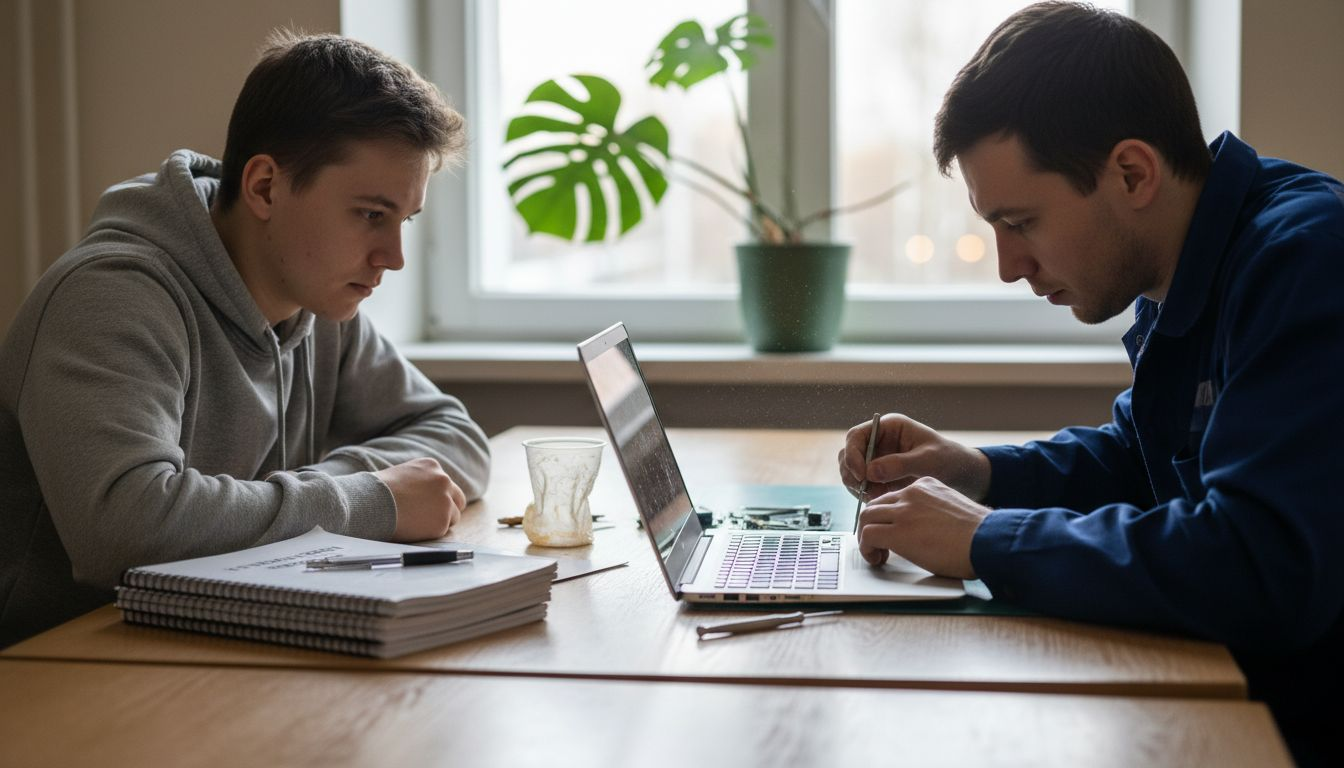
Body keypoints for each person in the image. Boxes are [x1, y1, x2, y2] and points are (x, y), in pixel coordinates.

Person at [837, 2, 1344, 764]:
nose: (1009, 265)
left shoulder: (1306, 261)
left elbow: (1256, 564)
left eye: (1022, 222)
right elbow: (1147, 460)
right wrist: (980, 474)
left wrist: (985, 539)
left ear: (1132, 172)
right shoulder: (1184, 263)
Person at [0, 32, 491, 647]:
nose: (392, 258)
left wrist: (340, 489)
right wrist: (368, 501)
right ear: (264, 187)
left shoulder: (317, 304)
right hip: (53, 672)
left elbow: (455, 437)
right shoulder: (112, 297)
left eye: (404, 221)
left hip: (211, 647)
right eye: (370, 214)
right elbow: (123, 529)